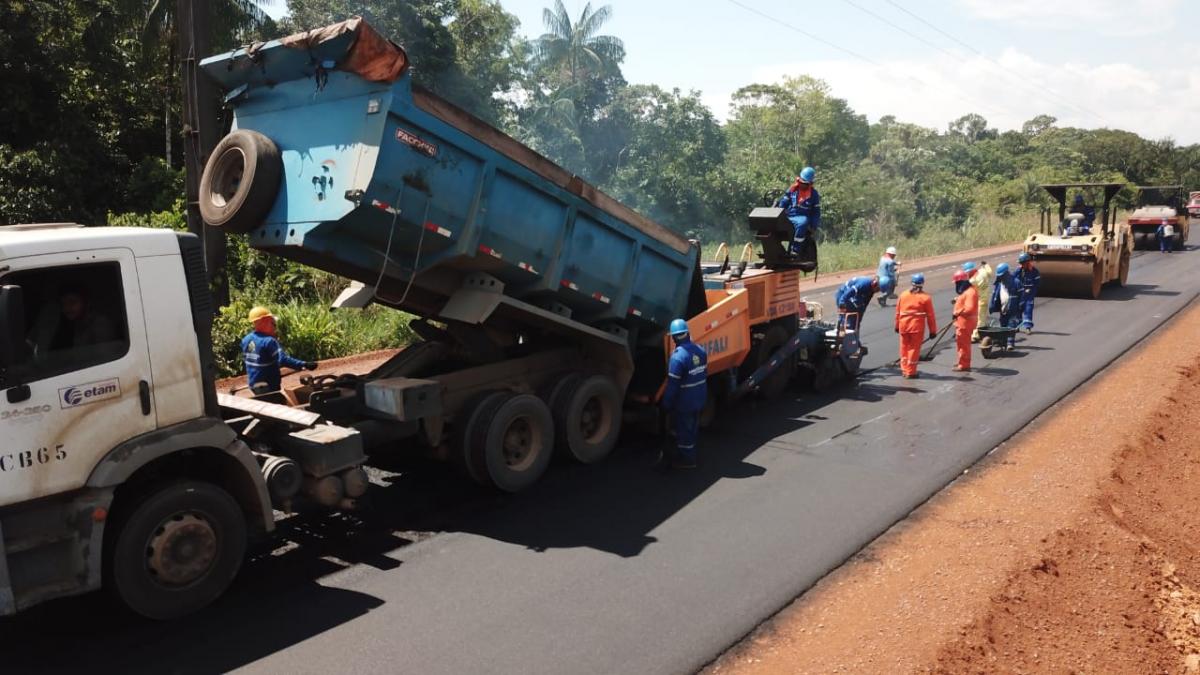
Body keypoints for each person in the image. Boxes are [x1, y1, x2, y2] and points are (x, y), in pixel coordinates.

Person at [661, 318, 707, 469]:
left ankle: (688, 460)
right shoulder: (701, 351)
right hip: (699, 397)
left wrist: (665, 404)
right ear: (687, 333)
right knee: (692, 427)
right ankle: (690, 453)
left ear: (673, 337)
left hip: (685, 402)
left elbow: (673, 386)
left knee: (684, 430)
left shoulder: (677, 358)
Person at [241, 306, 317, 394]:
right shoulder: (269, 341)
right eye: (273, 323)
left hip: (253, 384)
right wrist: (304, 364)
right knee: (274, 404)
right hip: (268, 386)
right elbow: (283, 360)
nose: (274, 327)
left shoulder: (246, 339)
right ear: (265, 322)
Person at [30, 285, 117, 358]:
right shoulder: (67, 324)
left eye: (72, 302)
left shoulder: (100, 324)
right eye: (63, 304)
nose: (67, 308)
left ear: (85, 302)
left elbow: (104, 359)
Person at [894, 273, 937, 379]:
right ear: (922, 284)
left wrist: (896, 325)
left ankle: (904, 369)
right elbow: (930, 316)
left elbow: (898, 312)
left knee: (904, 347)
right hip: (916, 327)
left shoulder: (903, 295)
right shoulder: (926, 298)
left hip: (903, 326)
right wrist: (933, 331)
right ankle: (911, 372)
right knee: (913, 348)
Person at [775, 166, 821, 254]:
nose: (802, 184)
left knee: (802, 222)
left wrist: (813, 226)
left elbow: (816, 212)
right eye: (801, 182)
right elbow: (783, 202)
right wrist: (780, 208)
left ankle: (795, 250)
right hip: (789, 216)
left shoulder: (814, 194)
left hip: (801, 218)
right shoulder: (792, 189)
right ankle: (774, 251)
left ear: (810, 183)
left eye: (805, 183)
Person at [989, 263, 1022, 350]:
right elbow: (994, 296)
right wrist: (992, 306)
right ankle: (1003, 341)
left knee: (1011, 325)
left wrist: (1021, 306)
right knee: (1003, 324)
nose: (1001, 277)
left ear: (1006, 273)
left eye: (1002, 275)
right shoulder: (999, 285)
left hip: (1013, 308)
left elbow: (1022, 296)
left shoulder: (1016, 282)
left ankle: (1010, 343)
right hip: (1003, 308)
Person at [951, 269, 978, 372]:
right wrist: (957, 299)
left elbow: (969, 308)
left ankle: (964, 365)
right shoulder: (967, 291)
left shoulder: (970, 292)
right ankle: (961, 361)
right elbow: (963, 298)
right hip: (962, 321)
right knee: (960, 343)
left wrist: (957, 312)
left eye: (957, 283)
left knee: (964, 344)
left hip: (966, 322)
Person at [969, 260, 994, 342]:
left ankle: (976, 335)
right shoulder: (983, 271)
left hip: (980, 299)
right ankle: (983, 331)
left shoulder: (972, 280)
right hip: (985, 298)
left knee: (979, 318)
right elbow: (990, 272)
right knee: (982, 316)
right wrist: (986, 265)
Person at [1015, 252, 1040, 333]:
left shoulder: (1034, 271)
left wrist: (1032, 292)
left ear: (1027, 262)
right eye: (1020, 263)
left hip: (1029, 295)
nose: (1021, 265)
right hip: (1020, 294)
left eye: (1023, 263)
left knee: (1028, 310)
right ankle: (1017, 326)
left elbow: (1037, 284)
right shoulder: (1018, 270)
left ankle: (1028, 328)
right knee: (1017, 310)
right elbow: (1013, 280)